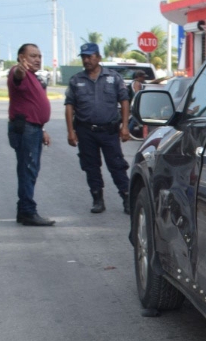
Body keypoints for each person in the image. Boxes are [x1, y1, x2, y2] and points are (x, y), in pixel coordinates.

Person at [65, 43, 131, 214]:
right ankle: (97, 199)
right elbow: (69, 106)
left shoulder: (114, 78)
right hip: (85, 131)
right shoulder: (76, 80)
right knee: (90, 166)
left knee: (117, 165)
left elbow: (124, 101)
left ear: (98, 57)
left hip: (109, 131)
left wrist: (125, 126)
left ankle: (127, 198)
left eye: (90, 56)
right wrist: (70, 131)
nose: (86, 60)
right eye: (84, 57)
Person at [7, 43, 54, 226]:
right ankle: (28, 211)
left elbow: (33, 104)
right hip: (25, 128)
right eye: (33, 56)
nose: (37, 59)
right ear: (21, 57)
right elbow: (17, 76)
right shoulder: (18, 73)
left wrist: (41, 129)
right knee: (27, 170)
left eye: (39, 56)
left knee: (30, 170)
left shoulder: (34, 77)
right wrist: (20, 69)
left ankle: (24, 211)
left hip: (33, 128)